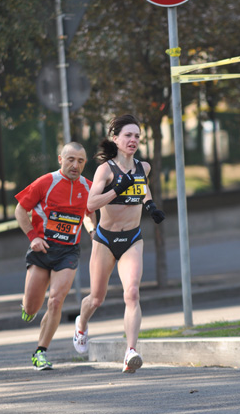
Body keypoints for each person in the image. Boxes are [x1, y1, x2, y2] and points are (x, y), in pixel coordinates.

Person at [73, 114, 165, 373]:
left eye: (137, 136)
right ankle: (81, 325)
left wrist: (150, 205)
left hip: (133, 238)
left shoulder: (143, 167)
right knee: (96, 299)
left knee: (132, 293)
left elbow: (142, 186)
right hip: (105, 240)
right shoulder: (106, 170)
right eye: (128, 135)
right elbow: (90, 205)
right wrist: (116, 189)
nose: (133, 140)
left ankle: (131, 351)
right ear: (116, 139)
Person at [15, 142, 96, 371]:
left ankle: (40, 352)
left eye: (80, 161)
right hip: (42, 249)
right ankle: (27, 306)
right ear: (60, 159)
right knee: (32, 308)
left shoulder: (88, 187)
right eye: (70, 159)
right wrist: (33, 237)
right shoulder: (46, 182)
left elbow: (89, 214)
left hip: (68, 252)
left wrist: (92, 231)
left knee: (56, 301)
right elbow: (20, 210)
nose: (75, 165)